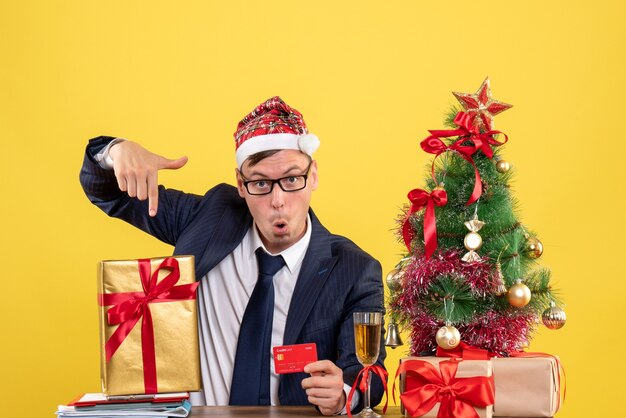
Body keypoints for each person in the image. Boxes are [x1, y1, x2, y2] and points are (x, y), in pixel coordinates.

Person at [80, 96, 386, 415]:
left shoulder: (354, 269)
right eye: (261, 183)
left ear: (314, 176)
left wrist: (343, 394)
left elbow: (368, 373)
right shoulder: (211, 219)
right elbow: (107, 194)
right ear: (241, 184)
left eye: (292, 179)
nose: (278, 200)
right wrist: (114, 151)